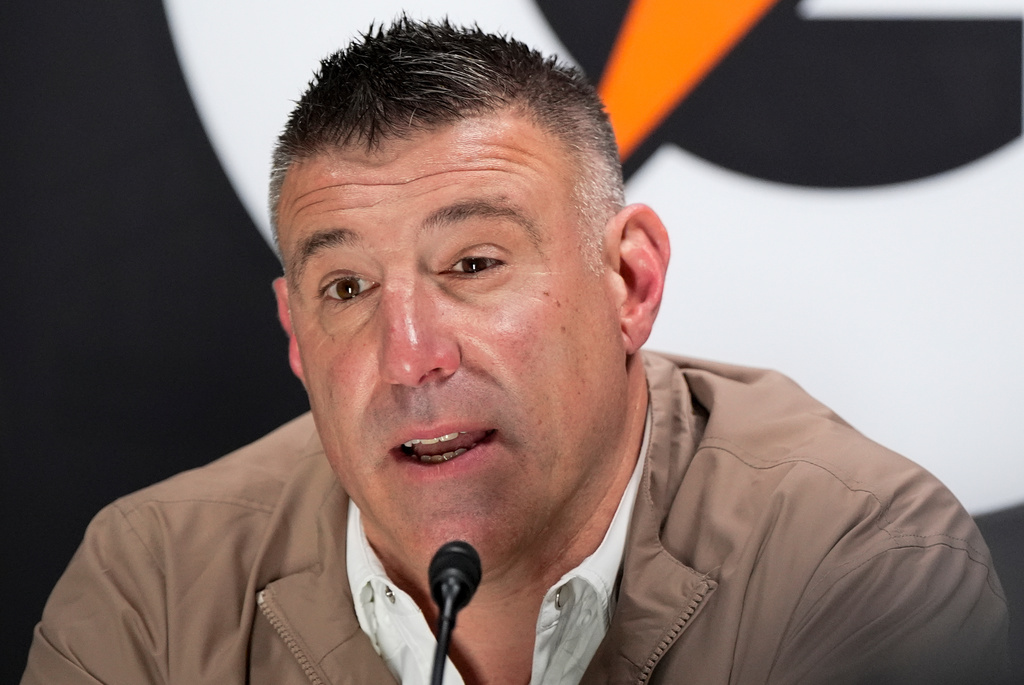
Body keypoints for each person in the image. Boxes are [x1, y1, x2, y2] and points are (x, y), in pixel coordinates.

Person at [22, 17, 1008, 685]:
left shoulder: (854, 560)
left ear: (629, 282)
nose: (409, 357)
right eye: (347, 289)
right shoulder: (152, 585)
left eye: (474, 263)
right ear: (295, 336)